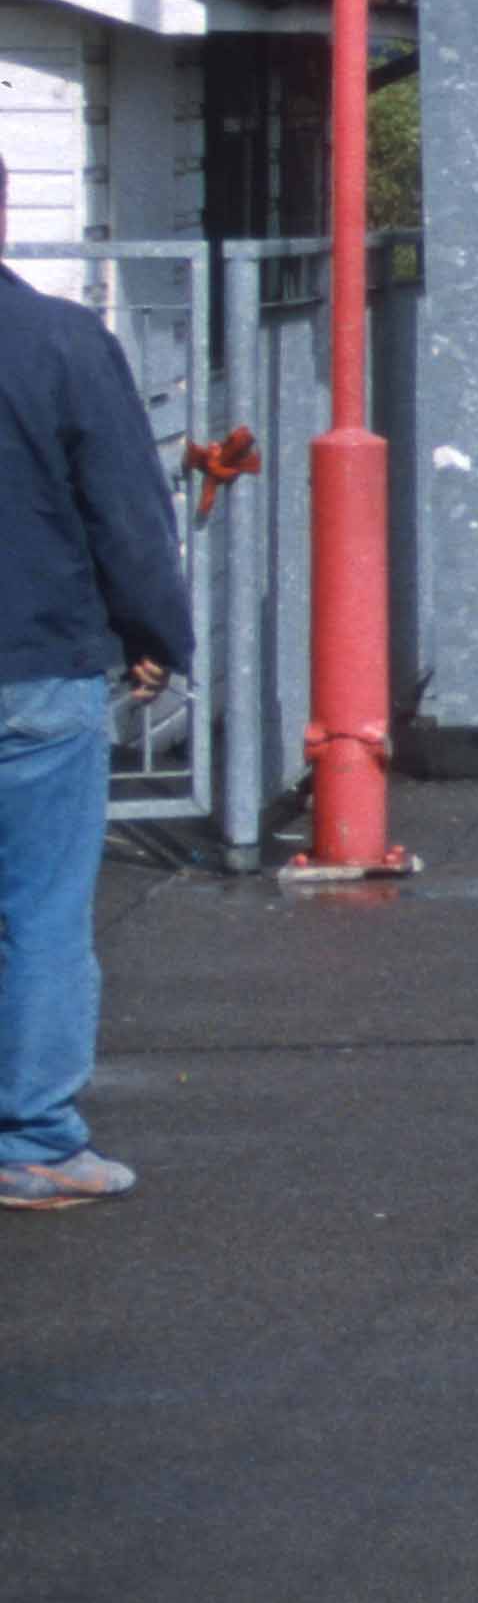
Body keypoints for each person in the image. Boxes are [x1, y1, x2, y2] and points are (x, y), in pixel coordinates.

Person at [0, 172, 195, 1210]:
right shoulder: (65, 344)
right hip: (36, 663)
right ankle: (32, 1140)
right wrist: (154, 634)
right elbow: (127, 511)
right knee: (36, 909)